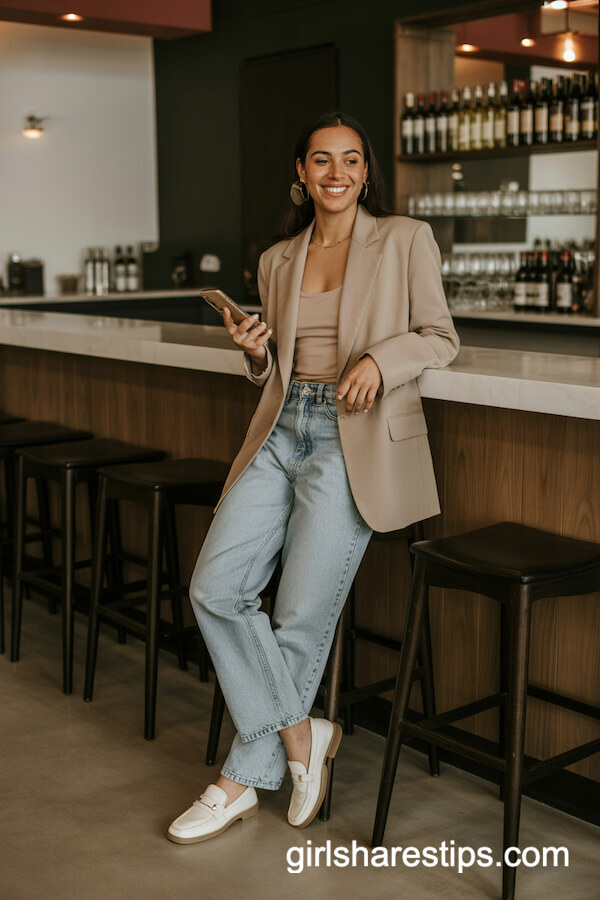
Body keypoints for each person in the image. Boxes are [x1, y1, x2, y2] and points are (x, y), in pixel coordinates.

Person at [167, 111, 459, 844]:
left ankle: (236, 781)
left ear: (365, 172)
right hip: (279, 431)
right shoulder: (276, 260)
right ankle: (304, 733)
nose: (337, 173)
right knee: (214, 587)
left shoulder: (404, 240)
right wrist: (255, 352)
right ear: (300, 173)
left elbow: (441, 338)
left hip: (351, 438)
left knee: (299, 617)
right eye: (322, 161)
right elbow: (276, 371)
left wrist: (377, 361)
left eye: (351, 160)